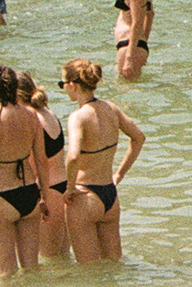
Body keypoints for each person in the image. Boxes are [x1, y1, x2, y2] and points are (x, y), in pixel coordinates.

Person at [0, 63, 57, 277]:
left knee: (6, 274)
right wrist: (45, 197)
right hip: (29, 193)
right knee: (32, 269)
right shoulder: (31, 115)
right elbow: (41, 161)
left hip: (2, 196)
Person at [59, 58, 144, 264]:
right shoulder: (111, 108)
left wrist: (69, 189)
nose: (64, 89)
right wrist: (119, 174)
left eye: (63, 84)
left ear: (73, 85)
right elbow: (139, 138)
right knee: (113, 265)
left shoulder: (78, 117)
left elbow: (73, 157)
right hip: (110, 195)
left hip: (85, 196)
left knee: (88, 270)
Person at [16, 71, 72, 262]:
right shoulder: (49, 113)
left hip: (47, 191)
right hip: (63, 186)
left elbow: (34, 164)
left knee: (50, 259)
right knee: (62, 257)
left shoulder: (29, 118)